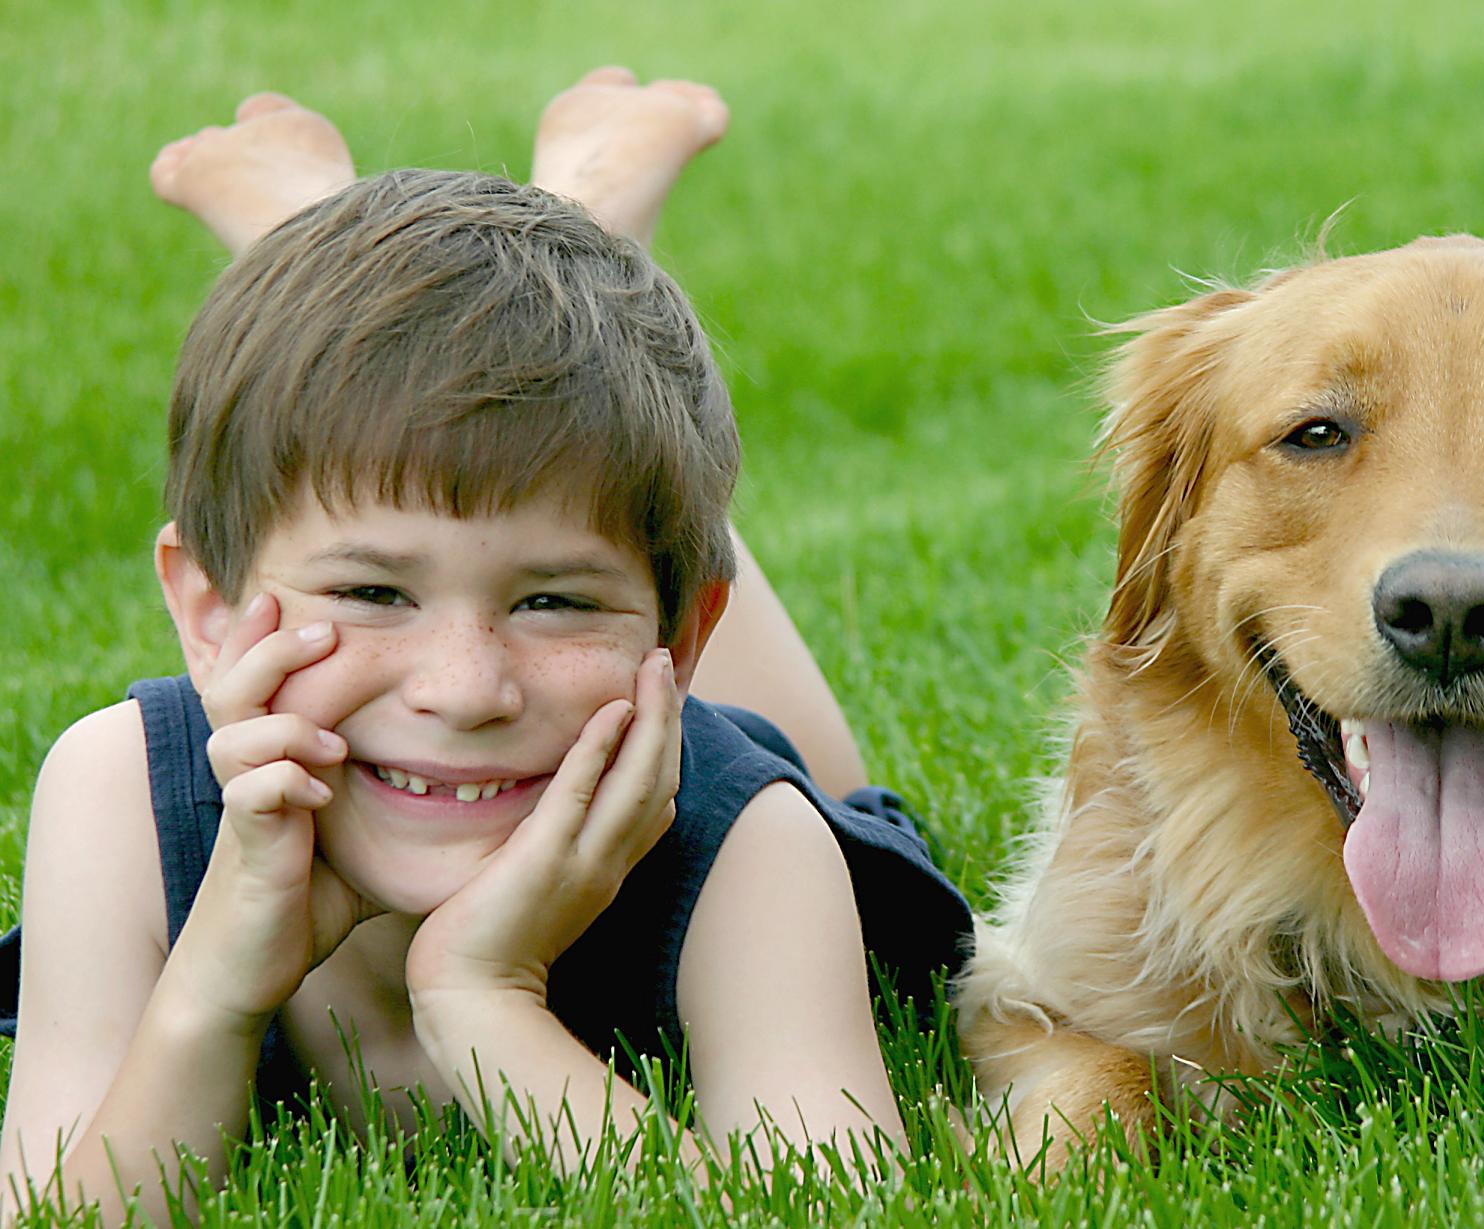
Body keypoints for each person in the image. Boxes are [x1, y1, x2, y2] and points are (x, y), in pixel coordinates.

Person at [0, 69, 972, 1223]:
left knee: (827, 789)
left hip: (715, 784)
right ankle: (353, 255)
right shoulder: (116, 790)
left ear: (681, 635)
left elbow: (827, 1211)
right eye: (369, 588)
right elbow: (58, 1213)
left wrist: (481, 993)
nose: (464, 690)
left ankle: (565, 256)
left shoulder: (751, 844)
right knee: (544, 480)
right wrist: (210, 983)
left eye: (554, 602)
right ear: (210, 615)